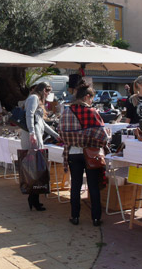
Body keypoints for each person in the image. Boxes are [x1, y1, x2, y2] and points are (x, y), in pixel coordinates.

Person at [58, 83, 109, 227]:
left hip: (73, 153)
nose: (92, 101)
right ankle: (96, 219)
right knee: (93, 186)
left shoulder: (66, 111)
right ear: (87, 96)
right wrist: (89, 137)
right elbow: (102, 136)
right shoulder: (92, 112)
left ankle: (75, 217)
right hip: (91, 153)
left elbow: (61, 134)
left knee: (75, 186)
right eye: (91, 98)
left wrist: (78, 137)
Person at [20, 82, 60, 211]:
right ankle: (33, 199)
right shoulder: (34, 98)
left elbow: (41, 121)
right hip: (33, 138)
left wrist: (55, 134)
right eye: (47, 91)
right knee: (34, 169)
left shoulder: (35, 99)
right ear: (43, 90)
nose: (48, 94)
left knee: (36, 169)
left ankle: (34, 199)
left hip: (35, 137)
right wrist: (32, 132)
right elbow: (29, 115)